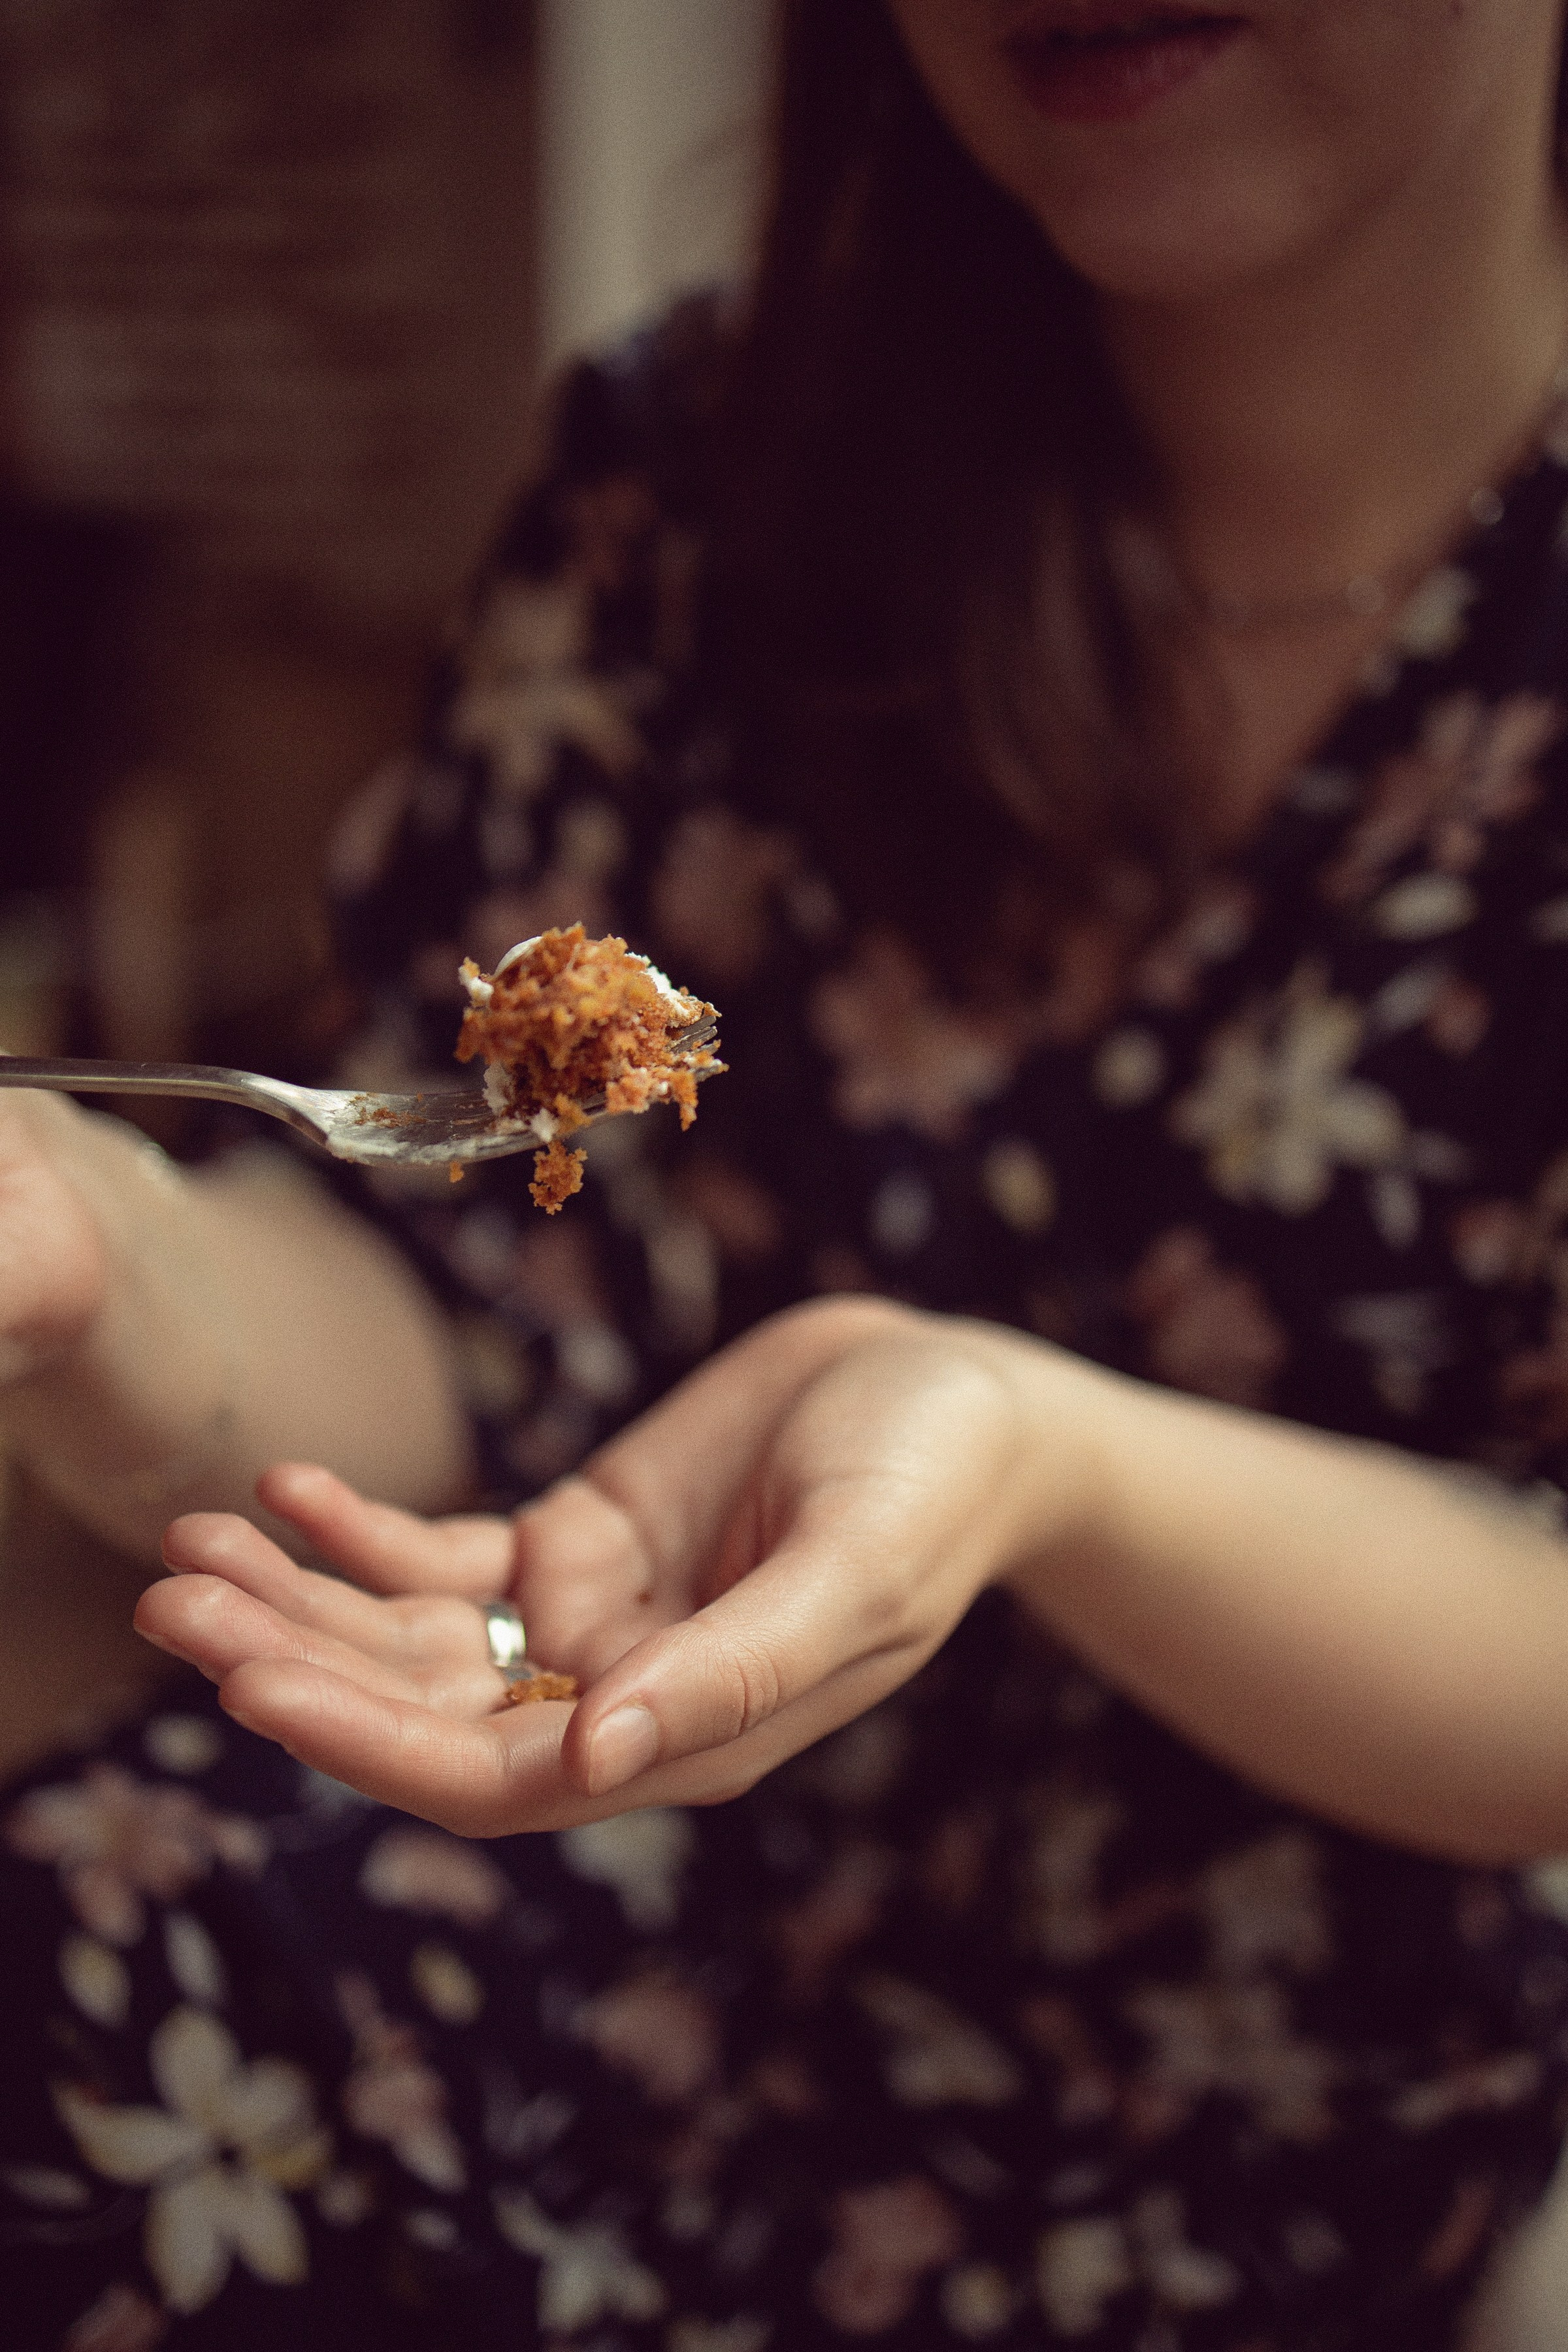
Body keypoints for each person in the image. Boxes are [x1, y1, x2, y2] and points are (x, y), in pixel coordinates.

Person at [8, 0, 1568, 2341]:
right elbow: (450, 1282)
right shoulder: (697, 475)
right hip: (599, 1886)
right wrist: (107, 1263)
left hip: (1239, 2084)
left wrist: (1044, 1462)